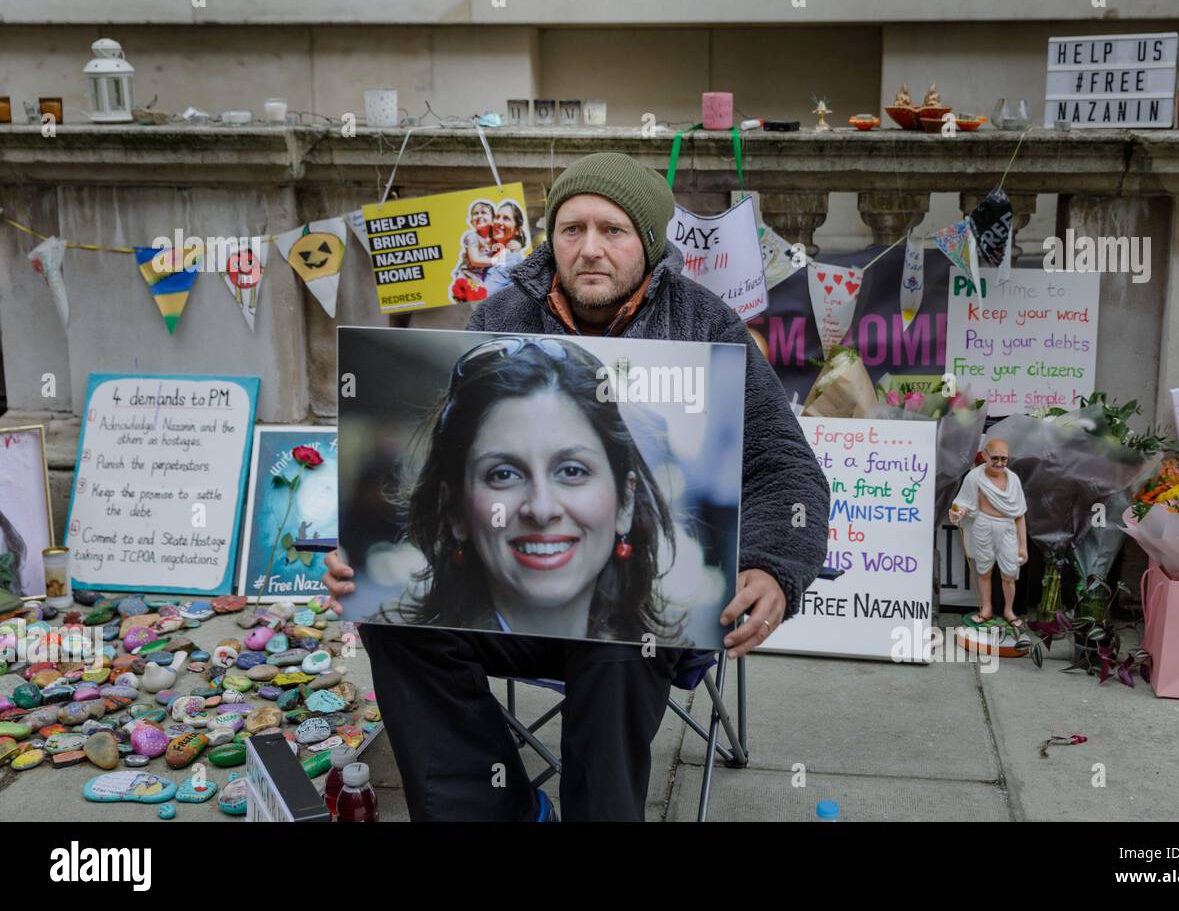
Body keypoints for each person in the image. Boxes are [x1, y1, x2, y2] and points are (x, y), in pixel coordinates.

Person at [325, 151, 829, 821]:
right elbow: (459, 465)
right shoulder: (501, 312)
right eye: (572, 229)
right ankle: (492, 809)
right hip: (504, 605)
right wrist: (355, 557)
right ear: (552, 238)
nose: (590, 249)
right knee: (392, 622)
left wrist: (772, 565)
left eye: (612, 231)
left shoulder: (706, 323)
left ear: (648, 244)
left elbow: (786, 468)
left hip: (630, 609)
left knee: (621, 643)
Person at [385, 334, 690, 645]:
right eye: (503, 474)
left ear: (624, 502)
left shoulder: (664, 654)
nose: (542, 510)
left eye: (572, 471)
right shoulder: (407, 649)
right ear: (456, 512)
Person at [948, 438, 1028, 628]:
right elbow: (964, 504)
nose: (999, 463)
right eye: (995, 458)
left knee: (1009, 574)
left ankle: (1009, 610)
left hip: (1007, 528)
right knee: (984, 571)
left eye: (1004, 459)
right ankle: (986, 609)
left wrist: (1023, 546)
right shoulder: (974, 477)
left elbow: (1019, 515)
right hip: (982, 526)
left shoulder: (1013, 479)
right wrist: (958, 513)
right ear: (984, 455)